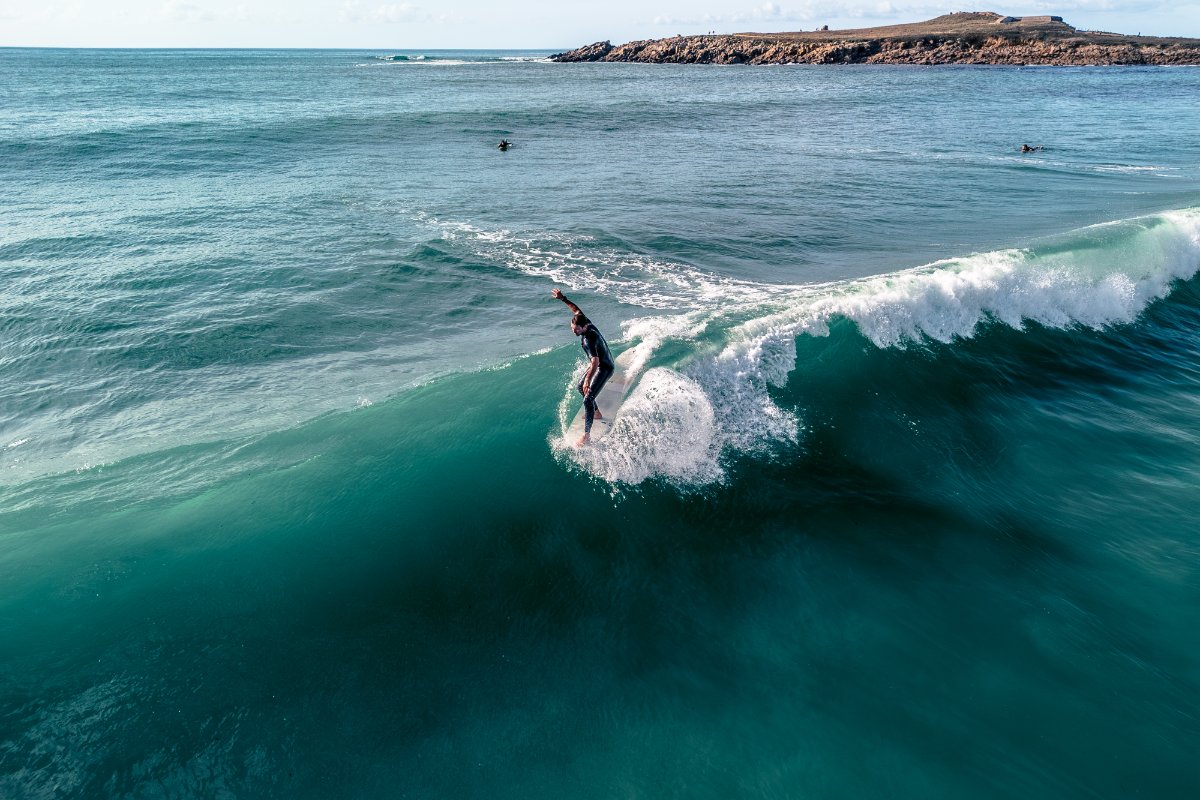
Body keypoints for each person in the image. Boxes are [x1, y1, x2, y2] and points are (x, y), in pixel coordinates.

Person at [552, 288, 615, 446]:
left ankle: (586, 435)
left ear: (583, 328)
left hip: (605, 367)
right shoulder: (586, 321)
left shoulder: (588, 339)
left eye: (576, 330)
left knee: (587, 398)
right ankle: (597, 413)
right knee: (580, 387)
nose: (574, 332)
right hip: (602, 363)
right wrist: (563, 298)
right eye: (572, 329)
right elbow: (576, 310)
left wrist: (588, 379)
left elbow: (595, 363)